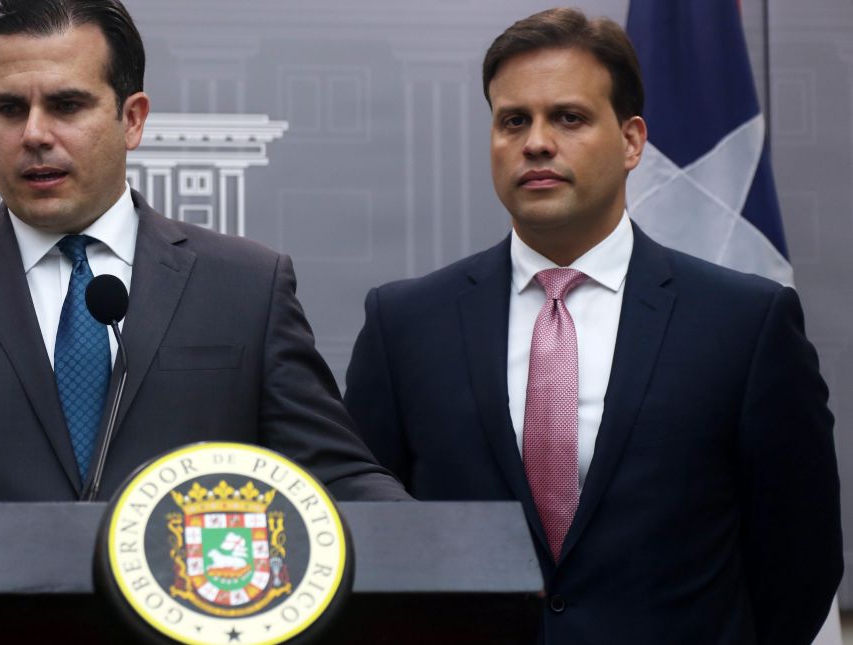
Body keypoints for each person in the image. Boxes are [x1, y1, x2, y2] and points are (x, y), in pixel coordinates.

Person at [0, 0, 406, 570]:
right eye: (12, 109)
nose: (36, 134)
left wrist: (452, 549)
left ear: (132, 119)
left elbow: (339, 477)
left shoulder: (245, 285)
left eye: (67, 105)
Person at [343, 8, 841, 644]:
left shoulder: (745, 324)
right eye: (513, 120)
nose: (536, 142)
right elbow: (369, 536)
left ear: (632, 141)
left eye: (569, 118)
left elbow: (800, 558)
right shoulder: (405, 323)